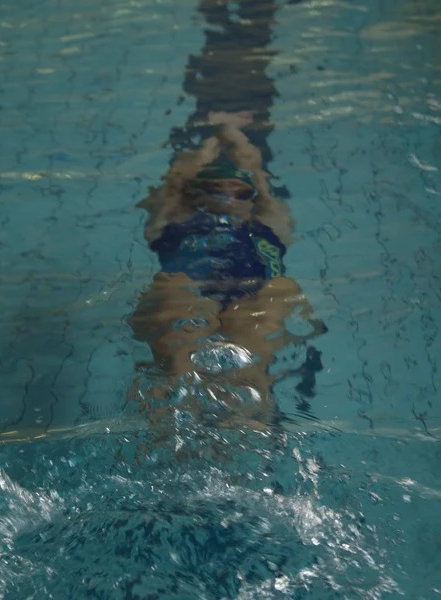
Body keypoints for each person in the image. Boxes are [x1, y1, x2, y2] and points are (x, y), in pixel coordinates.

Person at [128, 111, 327, 427]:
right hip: (185, 295)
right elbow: (174, 181)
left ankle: (248, 440)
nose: (228, 196)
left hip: (251, 298)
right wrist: (213, 137)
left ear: (253, 198)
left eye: (239, 192)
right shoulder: (172, 221)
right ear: (197, 195)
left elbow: (260, 177)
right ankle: (172, 437)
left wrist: (230, 131)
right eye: (216, 189)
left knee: (253, 369)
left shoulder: (269, 223)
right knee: (176, 338)